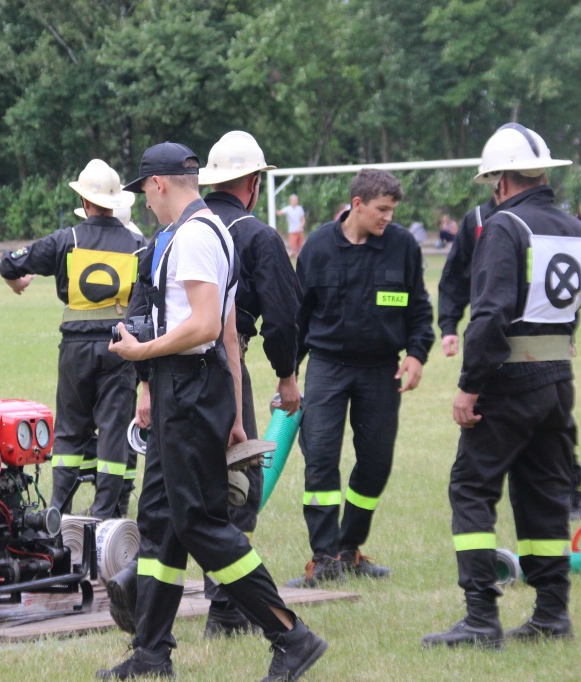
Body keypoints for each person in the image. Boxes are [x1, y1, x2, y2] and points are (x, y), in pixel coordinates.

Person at [98, 142, 327, 682]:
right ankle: (152, 654)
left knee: (199, 521)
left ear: (158, 184)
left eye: (145, 194)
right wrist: (234, 409)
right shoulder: (198, 232)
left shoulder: (197, 235)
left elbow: (202, 325)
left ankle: (291, 637)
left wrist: (140, 354)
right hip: (194, 388)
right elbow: (226, 329)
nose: (147, 205)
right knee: (159, 523)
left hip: (187, 386)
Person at [423, 123, 581, 649]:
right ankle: (551, 614)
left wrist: (470, 387)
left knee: (471, 488)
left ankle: (479, 618)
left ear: (498, 180)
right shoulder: (574, 228)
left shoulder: (503, 225)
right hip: (558, 379)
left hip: (509, 381)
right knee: (545, 495)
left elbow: (491, 314)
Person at [289, 169, 434, 588]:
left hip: (381, 369)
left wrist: (416, 355)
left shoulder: (403, 246)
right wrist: (288, 375)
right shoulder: (317, 246)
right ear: (357, 204)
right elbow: (300, 318)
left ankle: (349, 550)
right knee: (320, 462)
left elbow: (419, 310)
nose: (388, 217)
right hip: (327, 367)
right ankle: (323, 558)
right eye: (382, 209)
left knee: (374, 464)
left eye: (392, 210)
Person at [195, 130, 303, 636]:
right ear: (254, 184)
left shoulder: (181, 227)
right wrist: (287, 375)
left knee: (185, 486)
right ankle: (226, 610)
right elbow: (282, 317)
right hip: (223, 368)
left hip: (168, 371)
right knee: (237, 486)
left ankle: (149, 603)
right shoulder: (258, 236)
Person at [0, 159, 144, 519]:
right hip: (120, 346)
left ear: (84, 200)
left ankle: (57, 509)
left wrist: (17, 281)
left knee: (69, 430)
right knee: (113, 430)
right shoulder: (140, 244)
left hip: (75, 348)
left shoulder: (67, 239)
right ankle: (105, 512)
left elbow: (8, 264)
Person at [439, 195, 581, 520]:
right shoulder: (478, 220)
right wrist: (449, 325)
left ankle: (571, 492)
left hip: (527, 355)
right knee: (545, 432)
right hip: (506, 350)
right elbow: (455, 276)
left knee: (476, 480)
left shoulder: (546, 224)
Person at [278, 194, 306, 258]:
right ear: (290, 200)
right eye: (293, 200)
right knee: (293, 250)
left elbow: (303, 220)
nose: (294, 201)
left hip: (300, 231)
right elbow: (279, 212)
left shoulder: (300, 208)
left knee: (300, 249)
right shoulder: (287, 209)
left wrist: (300, 227)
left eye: (295, 200)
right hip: (292, 231)